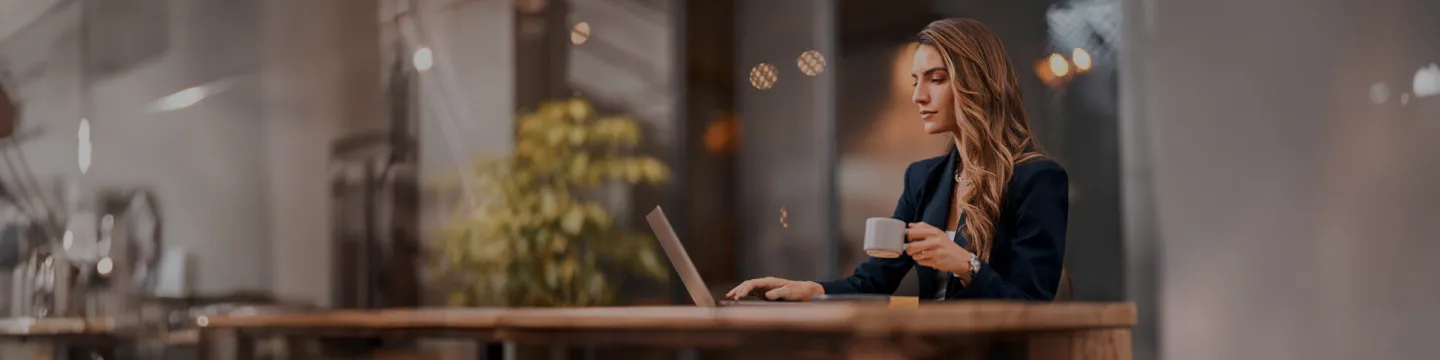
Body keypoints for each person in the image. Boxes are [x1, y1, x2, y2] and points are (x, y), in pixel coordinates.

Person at [726, 18, 1068, 301]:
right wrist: (811, 290)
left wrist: (967, 266)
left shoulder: (1037, 179)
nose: (918, 96)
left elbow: (1033, 303)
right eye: (916, 81)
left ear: (977, 84)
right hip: (932, 348)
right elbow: (875, 280)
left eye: (936, 79)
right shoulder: (923, 179)